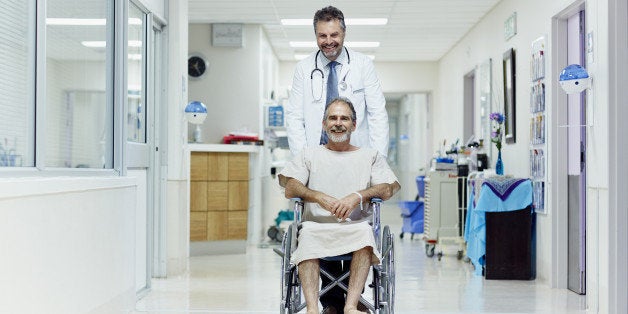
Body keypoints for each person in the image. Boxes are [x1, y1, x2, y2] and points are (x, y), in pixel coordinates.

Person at [279, 98, 400, 314]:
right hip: (316, 226)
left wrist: (358, 196)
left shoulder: (369, 156)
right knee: (305, 235)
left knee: (365, 233)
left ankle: (351, 306)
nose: (338, 123)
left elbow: (387, 189)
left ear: (354, 125)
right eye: (332, 118)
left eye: (344, 118)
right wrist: (317, 196)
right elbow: (290, 187)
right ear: (324, 124)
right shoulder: (309, 154)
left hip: (355, 227)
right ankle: (313, 309)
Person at [285, 5, 389, 158]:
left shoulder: (363, 64)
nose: (328, 41)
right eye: (322, 36)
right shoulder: (303, 68)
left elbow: (377, 114)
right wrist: (301, 159)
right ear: (315, 35)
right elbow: (294, 117)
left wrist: (378, 160)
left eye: (334, 35)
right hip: (316, 156)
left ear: (344, 33)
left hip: (357, 155)